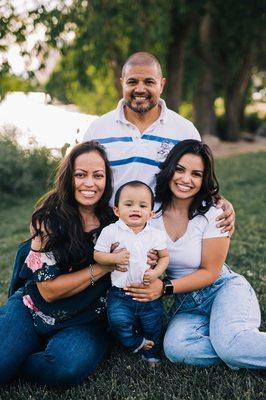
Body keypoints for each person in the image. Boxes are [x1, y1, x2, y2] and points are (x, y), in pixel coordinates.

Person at [124, 139, 266, 370]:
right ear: (169, 169)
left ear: (204, 180)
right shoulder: (151, 213)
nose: (185, 179)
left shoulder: (214, 213)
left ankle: (232, 346)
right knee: (177, 349)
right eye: (180, 169)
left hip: (222, 289)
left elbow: (210, 272)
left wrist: (164, 287)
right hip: (188, 303)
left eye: (196, 174)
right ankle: (229, 345)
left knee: (232, 346)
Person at [0, 141, 116, 387]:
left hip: (86, 320)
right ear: (68, 178)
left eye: (98, 175)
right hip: (33, 308)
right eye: (80, 175)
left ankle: (21, 359)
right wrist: (104, 267)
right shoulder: (49, 219)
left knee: (63, 369)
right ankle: (15, 351)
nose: (89, 183)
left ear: (106, 180)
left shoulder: (115, 223)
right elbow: (48, 291)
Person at [83, 51, 235, 235]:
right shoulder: (98, 129)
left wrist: (220, 202)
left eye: (149, 82)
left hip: (160, 235)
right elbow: (83, 181)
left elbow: (198, 181)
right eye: (132, 82)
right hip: (106, 231)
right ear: (121, 82)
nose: (140, 89)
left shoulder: (184, 131)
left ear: (161, 84)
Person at [94, 181, 169, 367]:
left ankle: (151, 354)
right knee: (118, 321)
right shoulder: (110, 232)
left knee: (153, 325)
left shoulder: (155, 234)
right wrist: (113, 258)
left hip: (148, 293)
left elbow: (164, 257)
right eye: (129, 205)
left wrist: (157, 272)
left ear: (151, 213)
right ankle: (135, 343)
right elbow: (97, 255)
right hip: (121, 293)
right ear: (117, 210)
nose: (136, 209)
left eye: (142, 206)